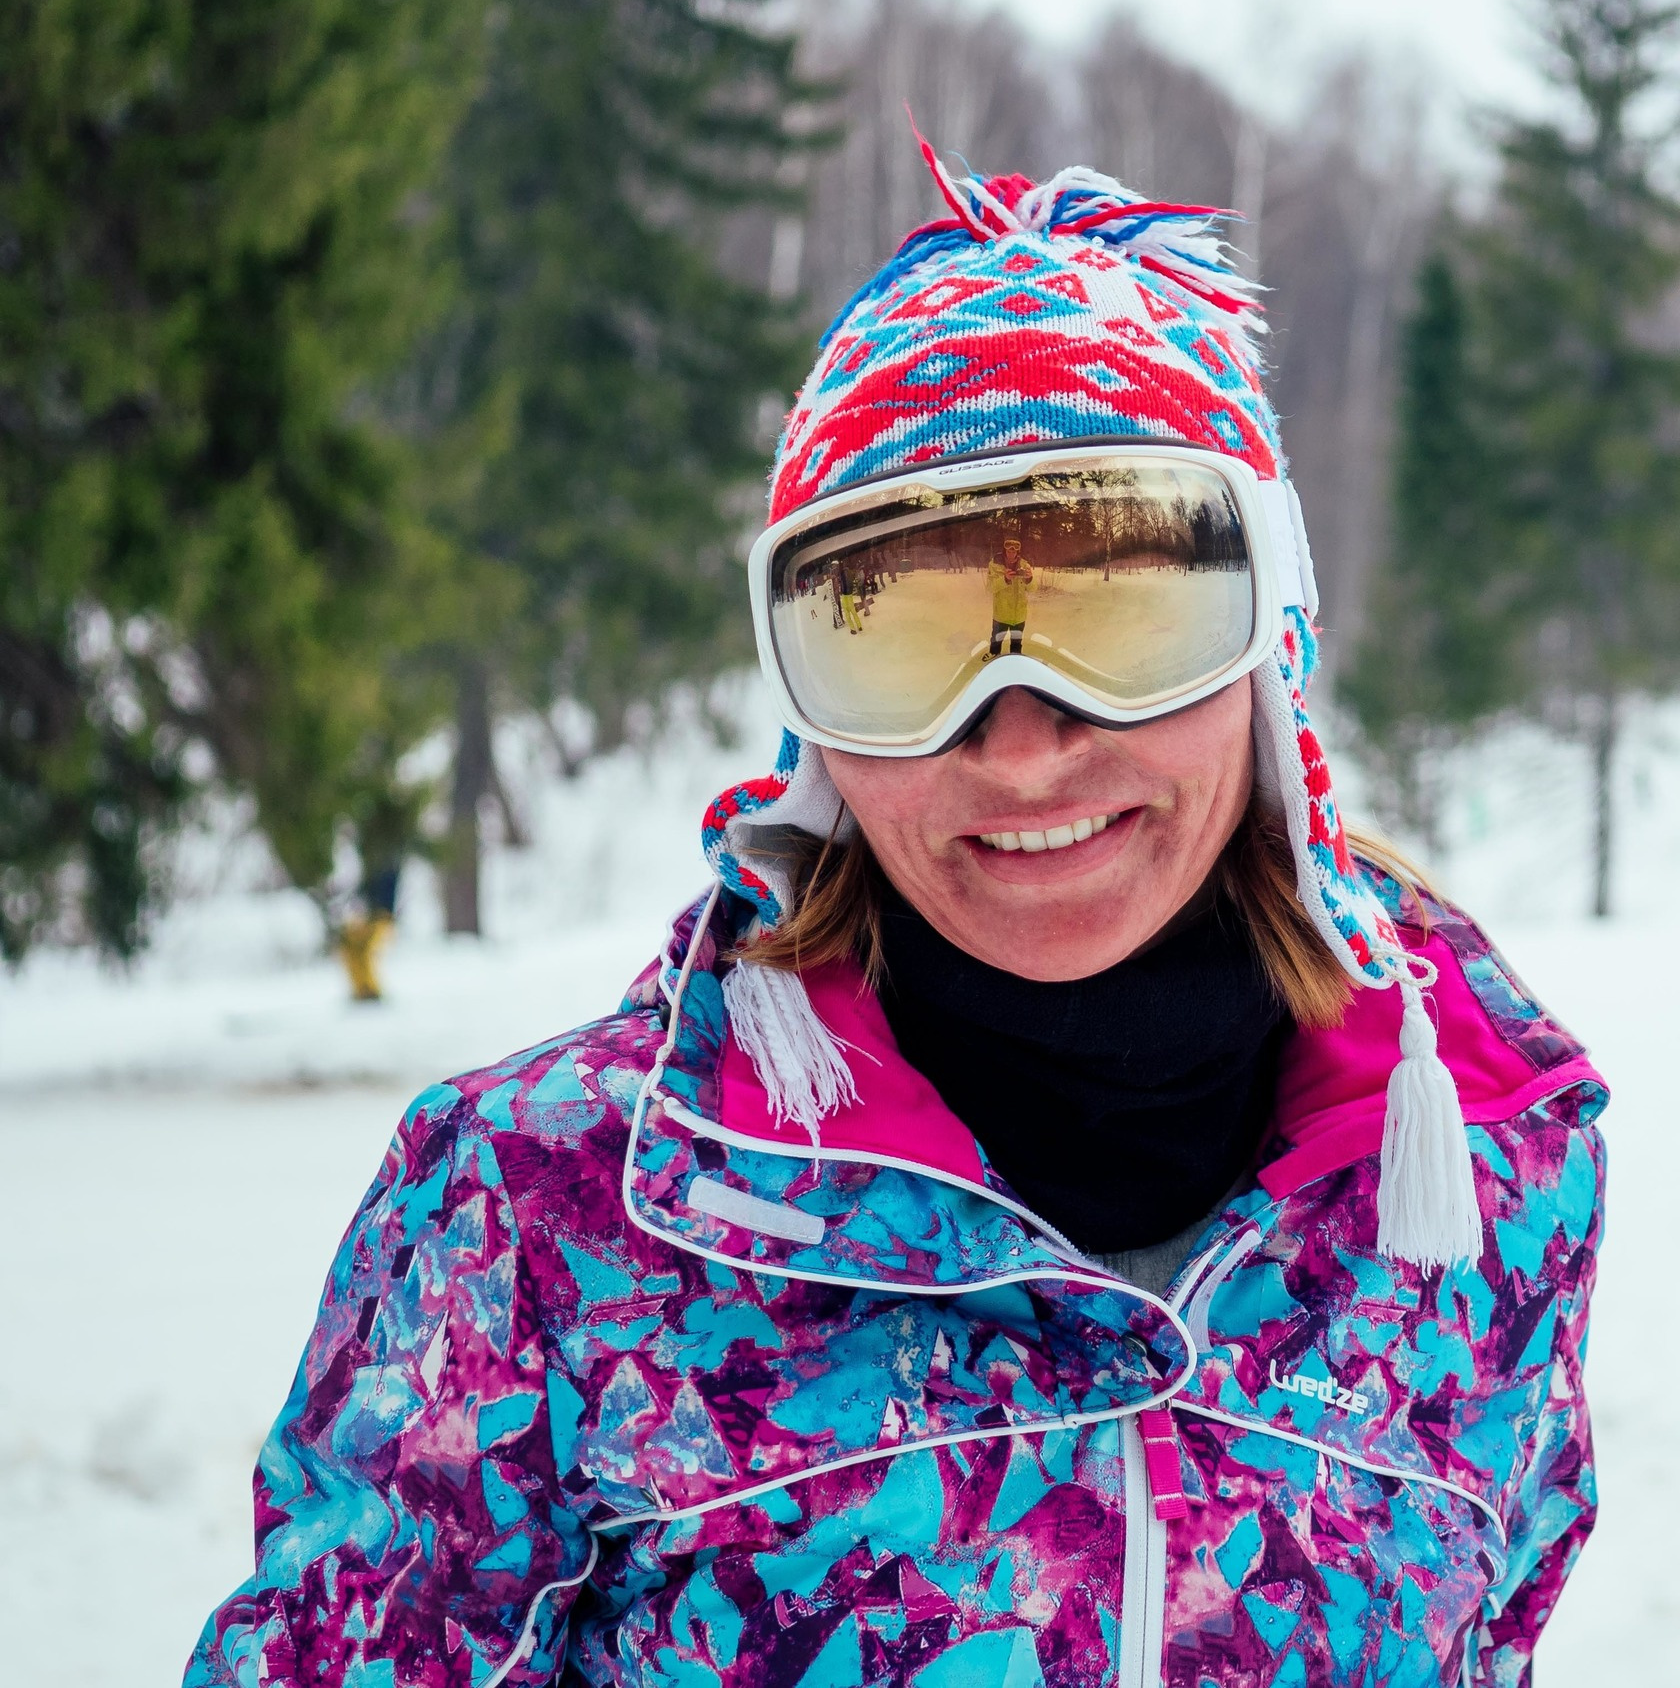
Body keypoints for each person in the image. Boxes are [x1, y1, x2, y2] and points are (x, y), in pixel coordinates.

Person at [189, 148, 1608, 1688]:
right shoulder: (550, 1208)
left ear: (1271, 658)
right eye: (899, 636)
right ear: (808, 720)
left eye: (1124, 608)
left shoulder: (1481, 1182)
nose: (1018, 737)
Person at [989, 537, 1034, 655]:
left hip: (1019, 616)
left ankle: (1015, 667)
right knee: (995, 645)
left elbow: (1033, 589)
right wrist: (1005, 579)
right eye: (1009, 551)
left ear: (1018, 552)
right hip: (1001, 616)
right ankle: (992, 666)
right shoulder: (994, 564)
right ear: (1004, 550)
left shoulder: (1025, 565)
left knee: (1016, 647)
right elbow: (990, 587)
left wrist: (1029, 579)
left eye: (1014, 551)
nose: (1011, 553)